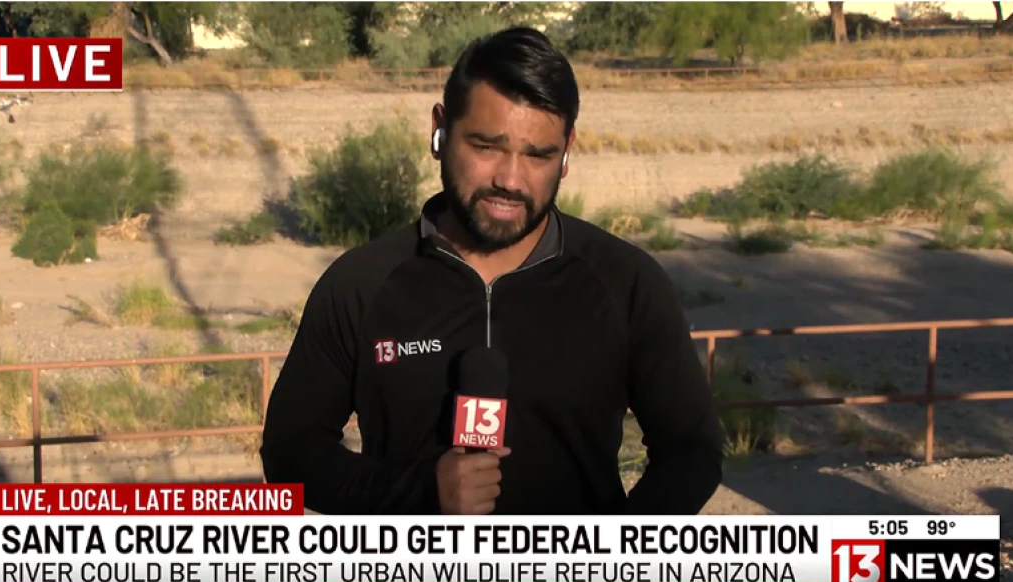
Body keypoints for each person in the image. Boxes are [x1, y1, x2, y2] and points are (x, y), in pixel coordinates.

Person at [260, 27, 725, 515]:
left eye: (538, 155)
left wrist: (611, 560)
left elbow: (692, 450)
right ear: (440, 131)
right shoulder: (360, 285)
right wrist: (419, 492)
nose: (510, 179)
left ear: (566, 152)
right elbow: (292, 451)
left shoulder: (625, 283)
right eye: (486, 146)